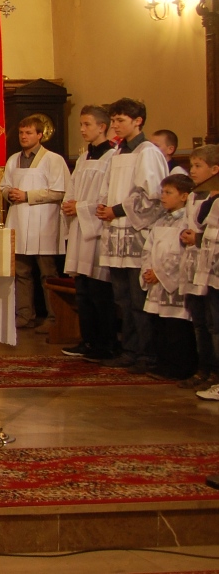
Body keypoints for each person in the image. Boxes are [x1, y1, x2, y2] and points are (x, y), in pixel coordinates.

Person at [95, 98, 169, 373]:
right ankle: (129, 349)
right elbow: (107, 186)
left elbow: (152, 195)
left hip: (135, 234)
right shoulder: (117, 153)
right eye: (113, 120)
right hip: (115, 233)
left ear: (138, 121)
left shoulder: (147, 152)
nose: (115, 125)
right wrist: (103, 206)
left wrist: (116, 210)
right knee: (122, 298)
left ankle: (146, 354)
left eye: (120, 120)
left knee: (139, 299)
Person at [2, 114, 70, 331]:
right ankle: (25, 315)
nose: (24, 136)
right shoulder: (13, 159)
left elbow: (59, 191)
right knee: (21, 272)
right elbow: (4, 185)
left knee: (47, 272)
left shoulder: (53, 160)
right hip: (19, 220)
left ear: (40, 135)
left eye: (29, 132)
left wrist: (28, 195)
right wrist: (9, 194)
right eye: (21, 132)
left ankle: (53, 317)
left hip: (44, 222)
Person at [62, 105, 117, 360]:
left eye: (86, 125)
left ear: (102, 127)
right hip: (79, 229)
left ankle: (106, 343)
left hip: (97, 231)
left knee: (99, 291)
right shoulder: (84, 158)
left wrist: (80, 207)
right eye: (81, 125)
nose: (82, 129)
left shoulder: (113, 157)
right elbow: (73, 188)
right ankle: (88, 340)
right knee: (82, 289)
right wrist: (69, 204)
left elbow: (108, 197)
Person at [140, 174, 197, 381]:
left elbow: (181, 254)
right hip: (156, 282)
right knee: (159, 326)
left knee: (176, 329)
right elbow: (149, 248)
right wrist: (148, 270)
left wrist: (160, 273)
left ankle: (180, 367)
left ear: (184, 196)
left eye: (168, 193)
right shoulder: (161, 219)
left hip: (173, 284)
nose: (162, 197)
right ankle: (162, 363)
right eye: (162, 192)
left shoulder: (186, 221)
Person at [179, 146, 219, 389]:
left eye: (197, 166)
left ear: (215, 170)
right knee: (200, 321)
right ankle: (203, 367)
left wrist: (199, 238)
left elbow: (207, 226)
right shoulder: (195, 195)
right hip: (195, 265)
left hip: (213, 267)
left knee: (215, 323)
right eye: (191, 165)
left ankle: (215, 371)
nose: (191, 170)